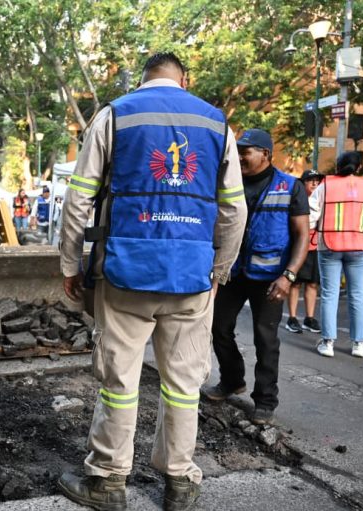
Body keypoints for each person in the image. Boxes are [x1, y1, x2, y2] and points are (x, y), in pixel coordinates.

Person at [58, 52, 247, 511]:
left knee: (118, 381)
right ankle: (179, 481)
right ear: (185, 79)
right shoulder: (218, 124)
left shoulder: (116, 114)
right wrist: (218, 270)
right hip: (191, 278)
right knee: (183, 385)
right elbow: (234, 210)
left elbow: (78, 199)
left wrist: (70, 265)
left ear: (142, 78)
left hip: (126, 274)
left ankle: (107, 480)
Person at [204, 128, 309, 426]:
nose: (239, 156)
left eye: (246, 151)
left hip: (271, 276)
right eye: (237, 150)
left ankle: (265, 400)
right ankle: (232, 379)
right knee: (218, 326)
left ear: (266, 154)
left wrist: (288, 276)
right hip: (233, 270)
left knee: (266, 339)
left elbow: (302, 235)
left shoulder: (290, 187)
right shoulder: (228, 184)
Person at [309, 151, 363, 358]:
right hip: (359, 248)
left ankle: (328, 343)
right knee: (358, 296)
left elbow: (310, 218)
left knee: (329, 294)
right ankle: (359, 344)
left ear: (337, 167)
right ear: (359, 168)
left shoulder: (325, 186)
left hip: (329, 247)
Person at [285, 170, 324, 333]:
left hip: (315, 247)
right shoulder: (296, 200)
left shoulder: (321, 200)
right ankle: (292, 318)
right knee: (295, 283)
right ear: (303, 184)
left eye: (317, 181)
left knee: (313, 283)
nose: (314, 184)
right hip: (298, 247)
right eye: (310, 181)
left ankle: (309, 318)